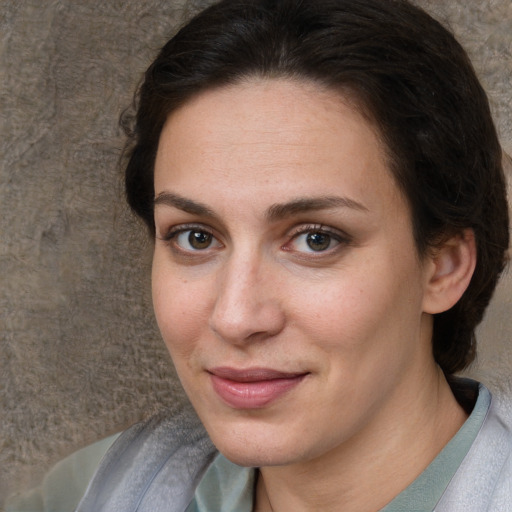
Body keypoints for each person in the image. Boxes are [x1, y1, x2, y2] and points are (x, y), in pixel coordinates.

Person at [16, 0, 512, 510]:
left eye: (316, 239)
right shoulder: (88, 492)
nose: (235, 318)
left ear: (443, 267)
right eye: (196, 237)